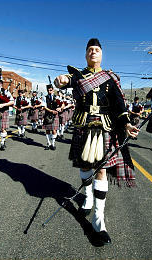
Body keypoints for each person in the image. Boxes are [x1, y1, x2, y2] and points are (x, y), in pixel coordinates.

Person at [54, 38, 139, 245]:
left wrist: (127, 124)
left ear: (102, 55)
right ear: (85, 54)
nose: (93, 52)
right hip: (83, 125)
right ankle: (87, 196)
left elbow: (119, 104)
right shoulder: (79, 75)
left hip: (104, 127)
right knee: (84, 165)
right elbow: (67, 81)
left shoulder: (109, 77)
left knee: (101, 169)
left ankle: (98, 219)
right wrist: (61, 80)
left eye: (97, 49)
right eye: (90, 49)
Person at [42, 84, 62, 150]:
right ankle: (48, 143)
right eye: (48, 90)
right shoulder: (45, 97)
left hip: (55, 115)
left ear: (53, 90)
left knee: (54, 130)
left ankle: (53, 144)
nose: (49, 91)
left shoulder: (57, 97)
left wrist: (60, 108)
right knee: (47, 130)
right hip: (48, 115)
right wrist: (51, 111)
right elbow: (44, 106)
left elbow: (63, 104)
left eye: (50, 90)